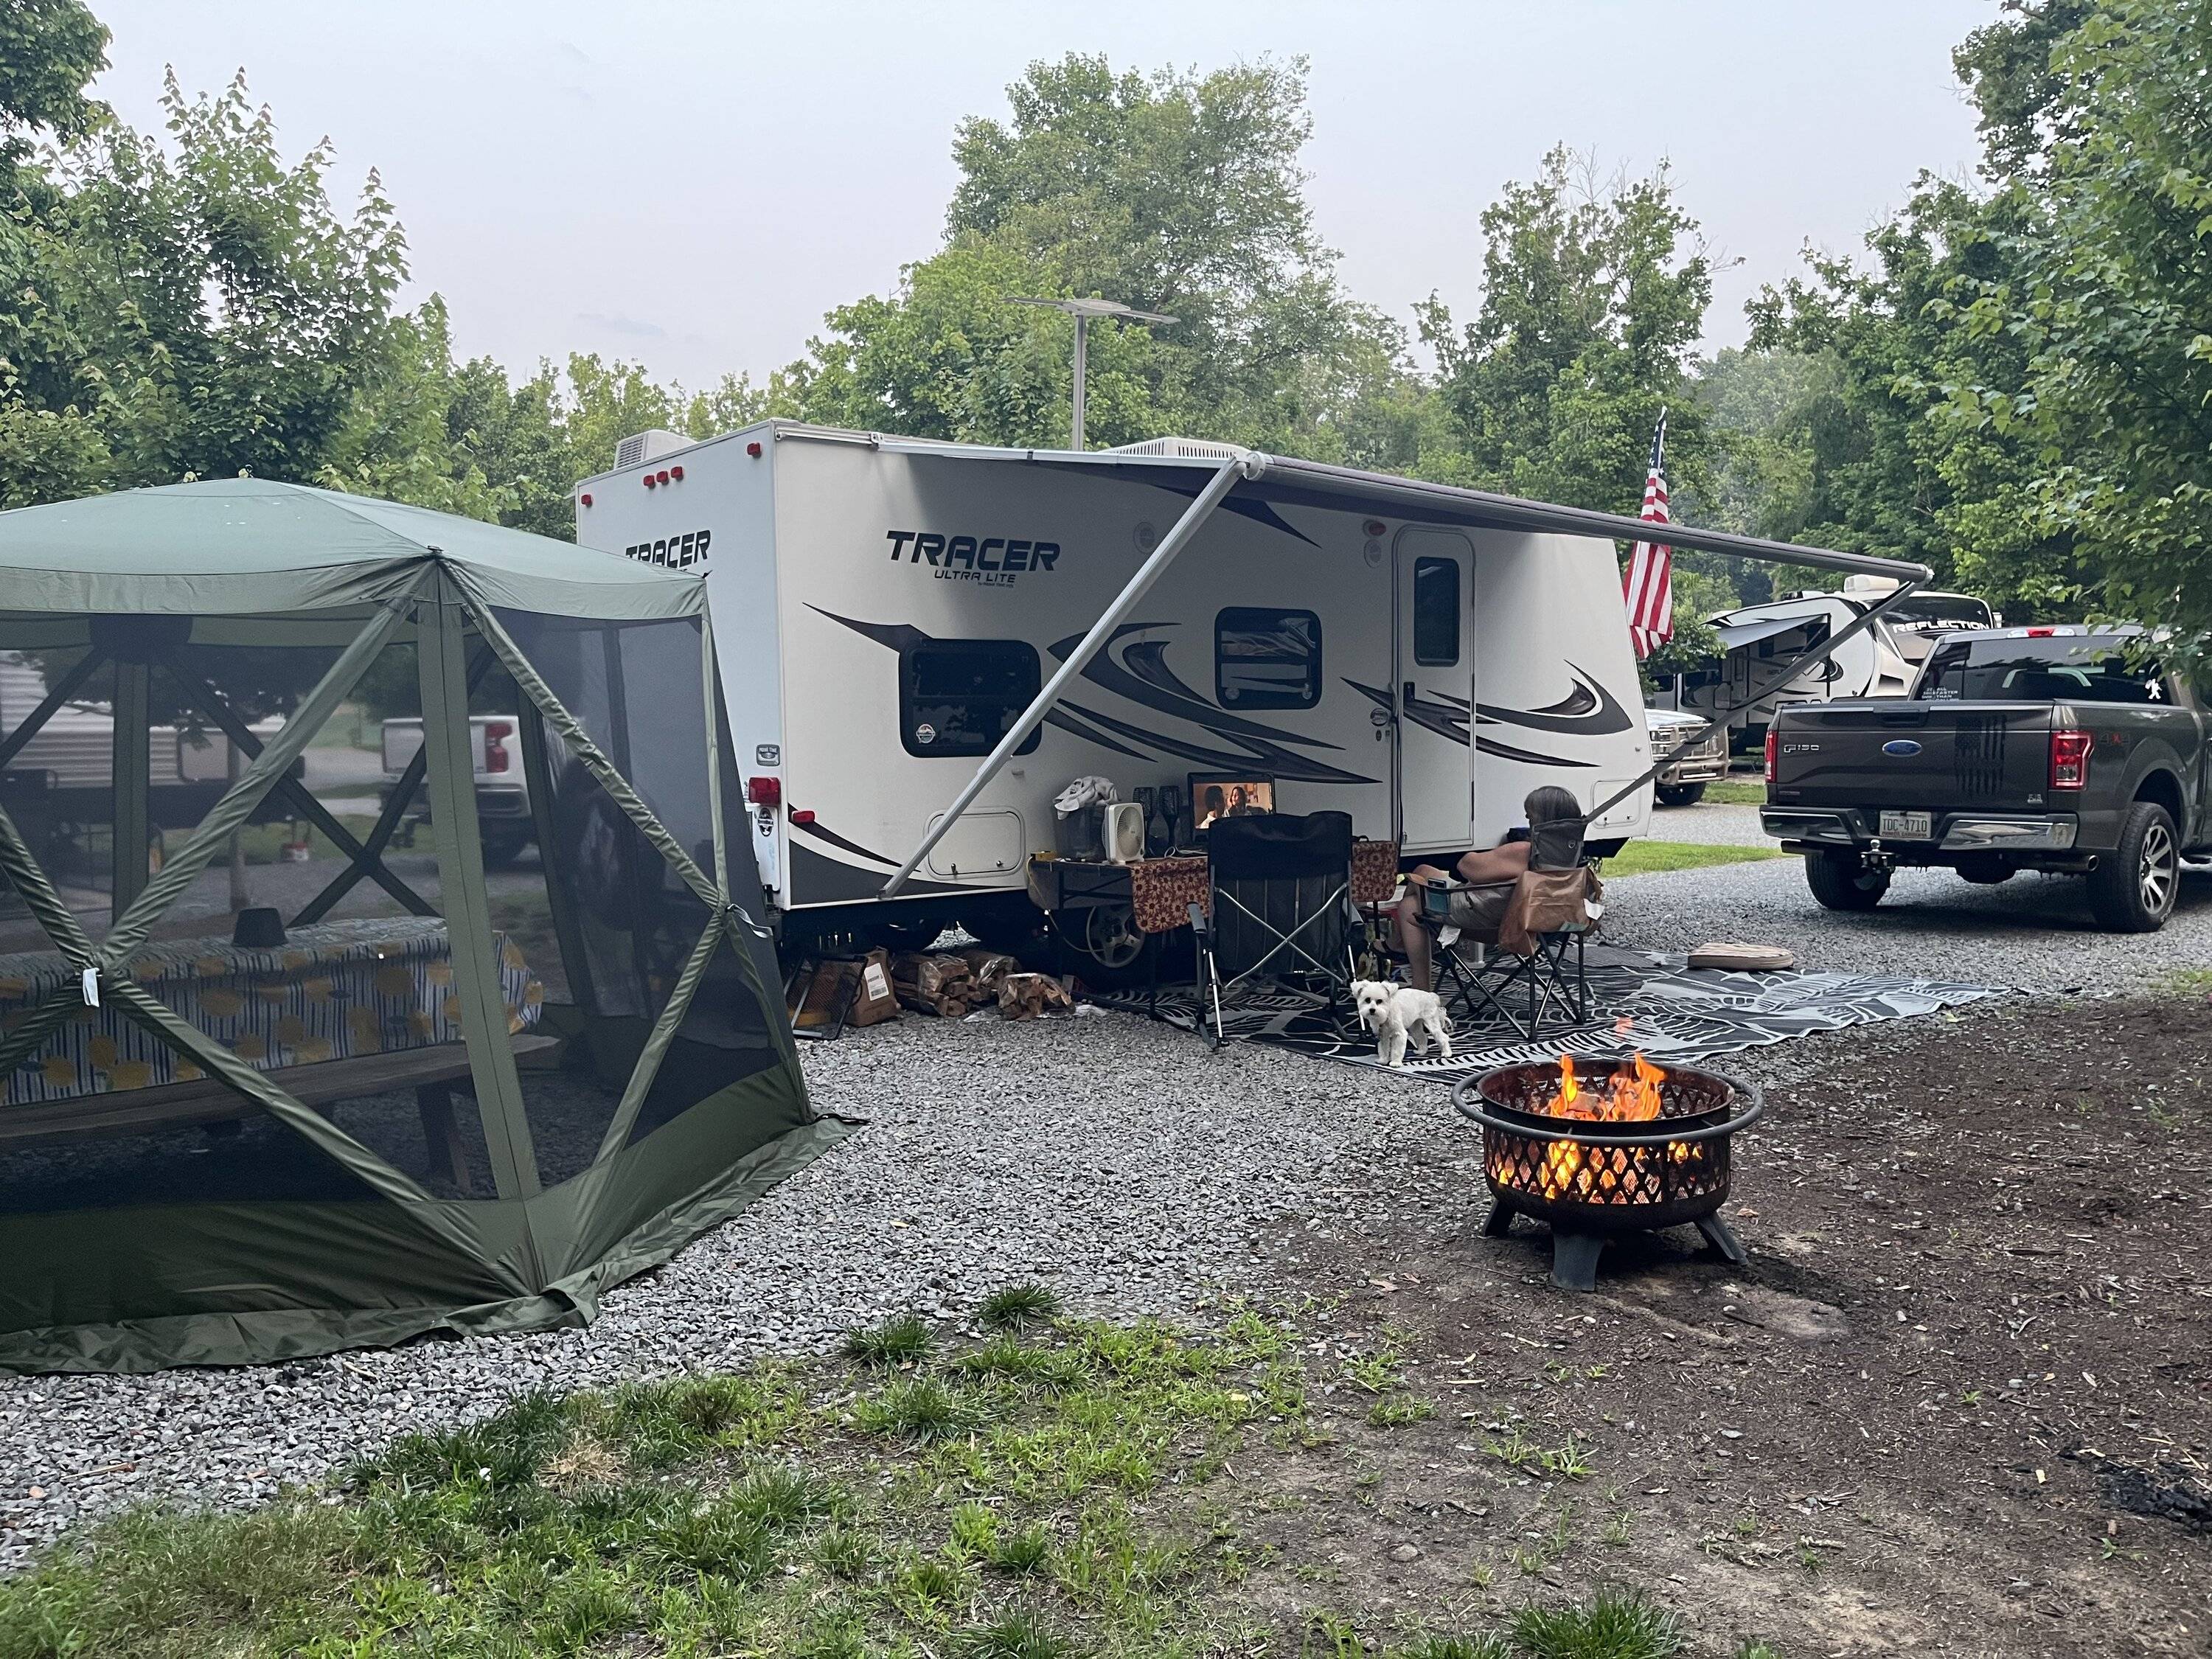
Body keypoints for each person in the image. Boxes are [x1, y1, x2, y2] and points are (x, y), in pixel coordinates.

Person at [1393, 785, 1585, 992]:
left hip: (1489, 923)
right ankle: (1411, 969)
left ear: (1543, 818)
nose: (1527, 819)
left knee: (1417, 885)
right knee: (1413, 901)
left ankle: (1403, 956)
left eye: (1531, 815)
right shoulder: (1570, 859)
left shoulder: (1525, 852)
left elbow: (1466, 867)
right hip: (1542, 927)